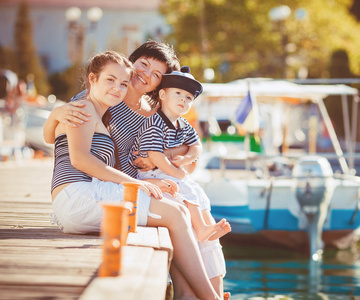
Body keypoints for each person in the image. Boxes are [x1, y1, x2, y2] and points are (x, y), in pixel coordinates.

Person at [43, 40, 227, 300]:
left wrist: (164, 161)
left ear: (159, 85)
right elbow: (77, 154)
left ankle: (193, 292)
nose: (145, 75)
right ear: (131, 63)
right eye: (143, 65)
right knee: (176, 212)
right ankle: (206, 296)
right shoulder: (93, 103)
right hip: (85, 191)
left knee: (185, 202)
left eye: (156, 75)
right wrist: (54, 114)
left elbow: (185, 149)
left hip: (102, 188)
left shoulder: (145, 112)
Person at [128, 66, 231, 295]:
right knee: (185, 186)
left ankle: (203, 225)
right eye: (178, 94)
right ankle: (202, 228)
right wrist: (177, 172)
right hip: (150, 174)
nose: (184, 100)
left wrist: (186, 157)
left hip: (165, 170)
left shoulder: (184, 126)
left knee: (197, 191)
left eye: (188, 98)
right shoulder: (154, 122)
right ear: (163, 94)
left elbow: (197, 146)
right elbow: (154, 156)